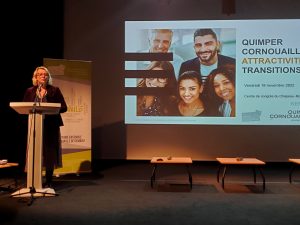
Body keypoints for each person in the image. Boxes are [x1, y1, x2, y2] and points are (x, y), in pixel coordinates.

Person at [23, 66, 67, 188]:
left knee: (50, 153)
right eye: (40, 74)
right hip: (35, 125)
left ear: (48, 77)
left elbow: (64, 107)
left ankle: (48, 180)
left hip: (51, 125)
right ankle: (34, 179)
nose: (43, 76)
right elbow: (24, 106)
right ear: (35, 77)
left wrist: (49, 101)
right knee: (35, 151)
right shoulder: (30, 91)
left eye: (45, 74)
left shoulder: (54, 90)